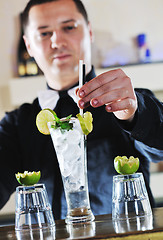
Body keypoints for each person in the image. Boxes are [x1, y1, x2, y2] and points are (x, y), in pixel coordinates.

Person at [0, 0, 163, 220]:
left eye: (68, 27)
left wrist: (134, 113)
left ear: (89, 31)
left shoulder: (128, 102)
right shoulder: (16, 124)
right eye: (45, 33)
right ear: (29, 45)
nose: (57, 41)